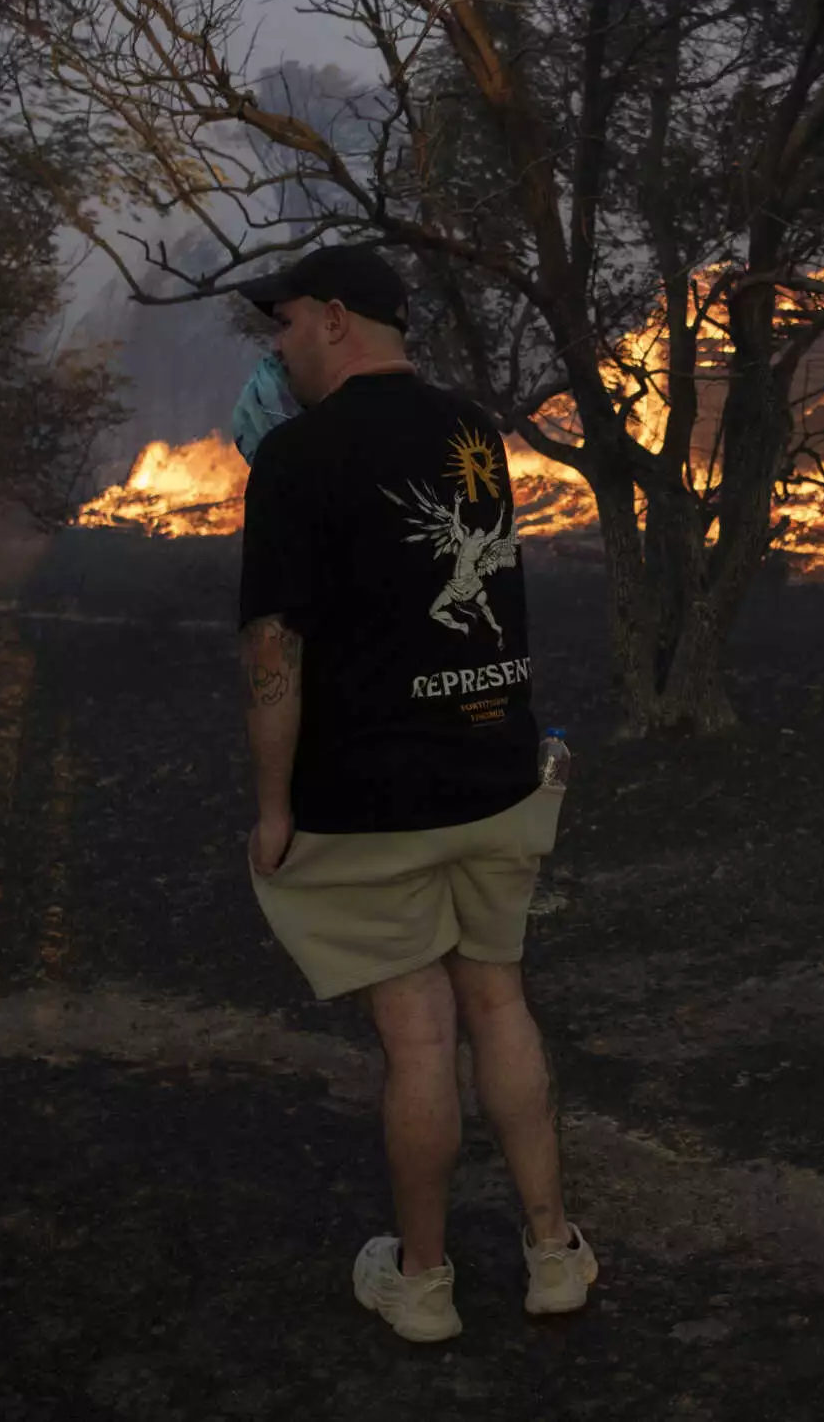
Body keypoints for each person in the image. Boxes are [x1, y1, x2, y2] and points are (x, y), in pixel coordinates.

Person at [232, 244, 596, 1344]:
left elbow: (272, 650)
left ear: (336, 318)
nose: (279, 345)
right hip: (495, 769)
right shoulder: (472, 428)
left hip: (373, 795)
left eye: (286, 323)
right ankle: (552, 1257)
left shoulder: (294, 459)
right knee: (501, 1006)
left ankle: (425, 1282)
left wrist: (274, 804)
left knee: (421, 1042)